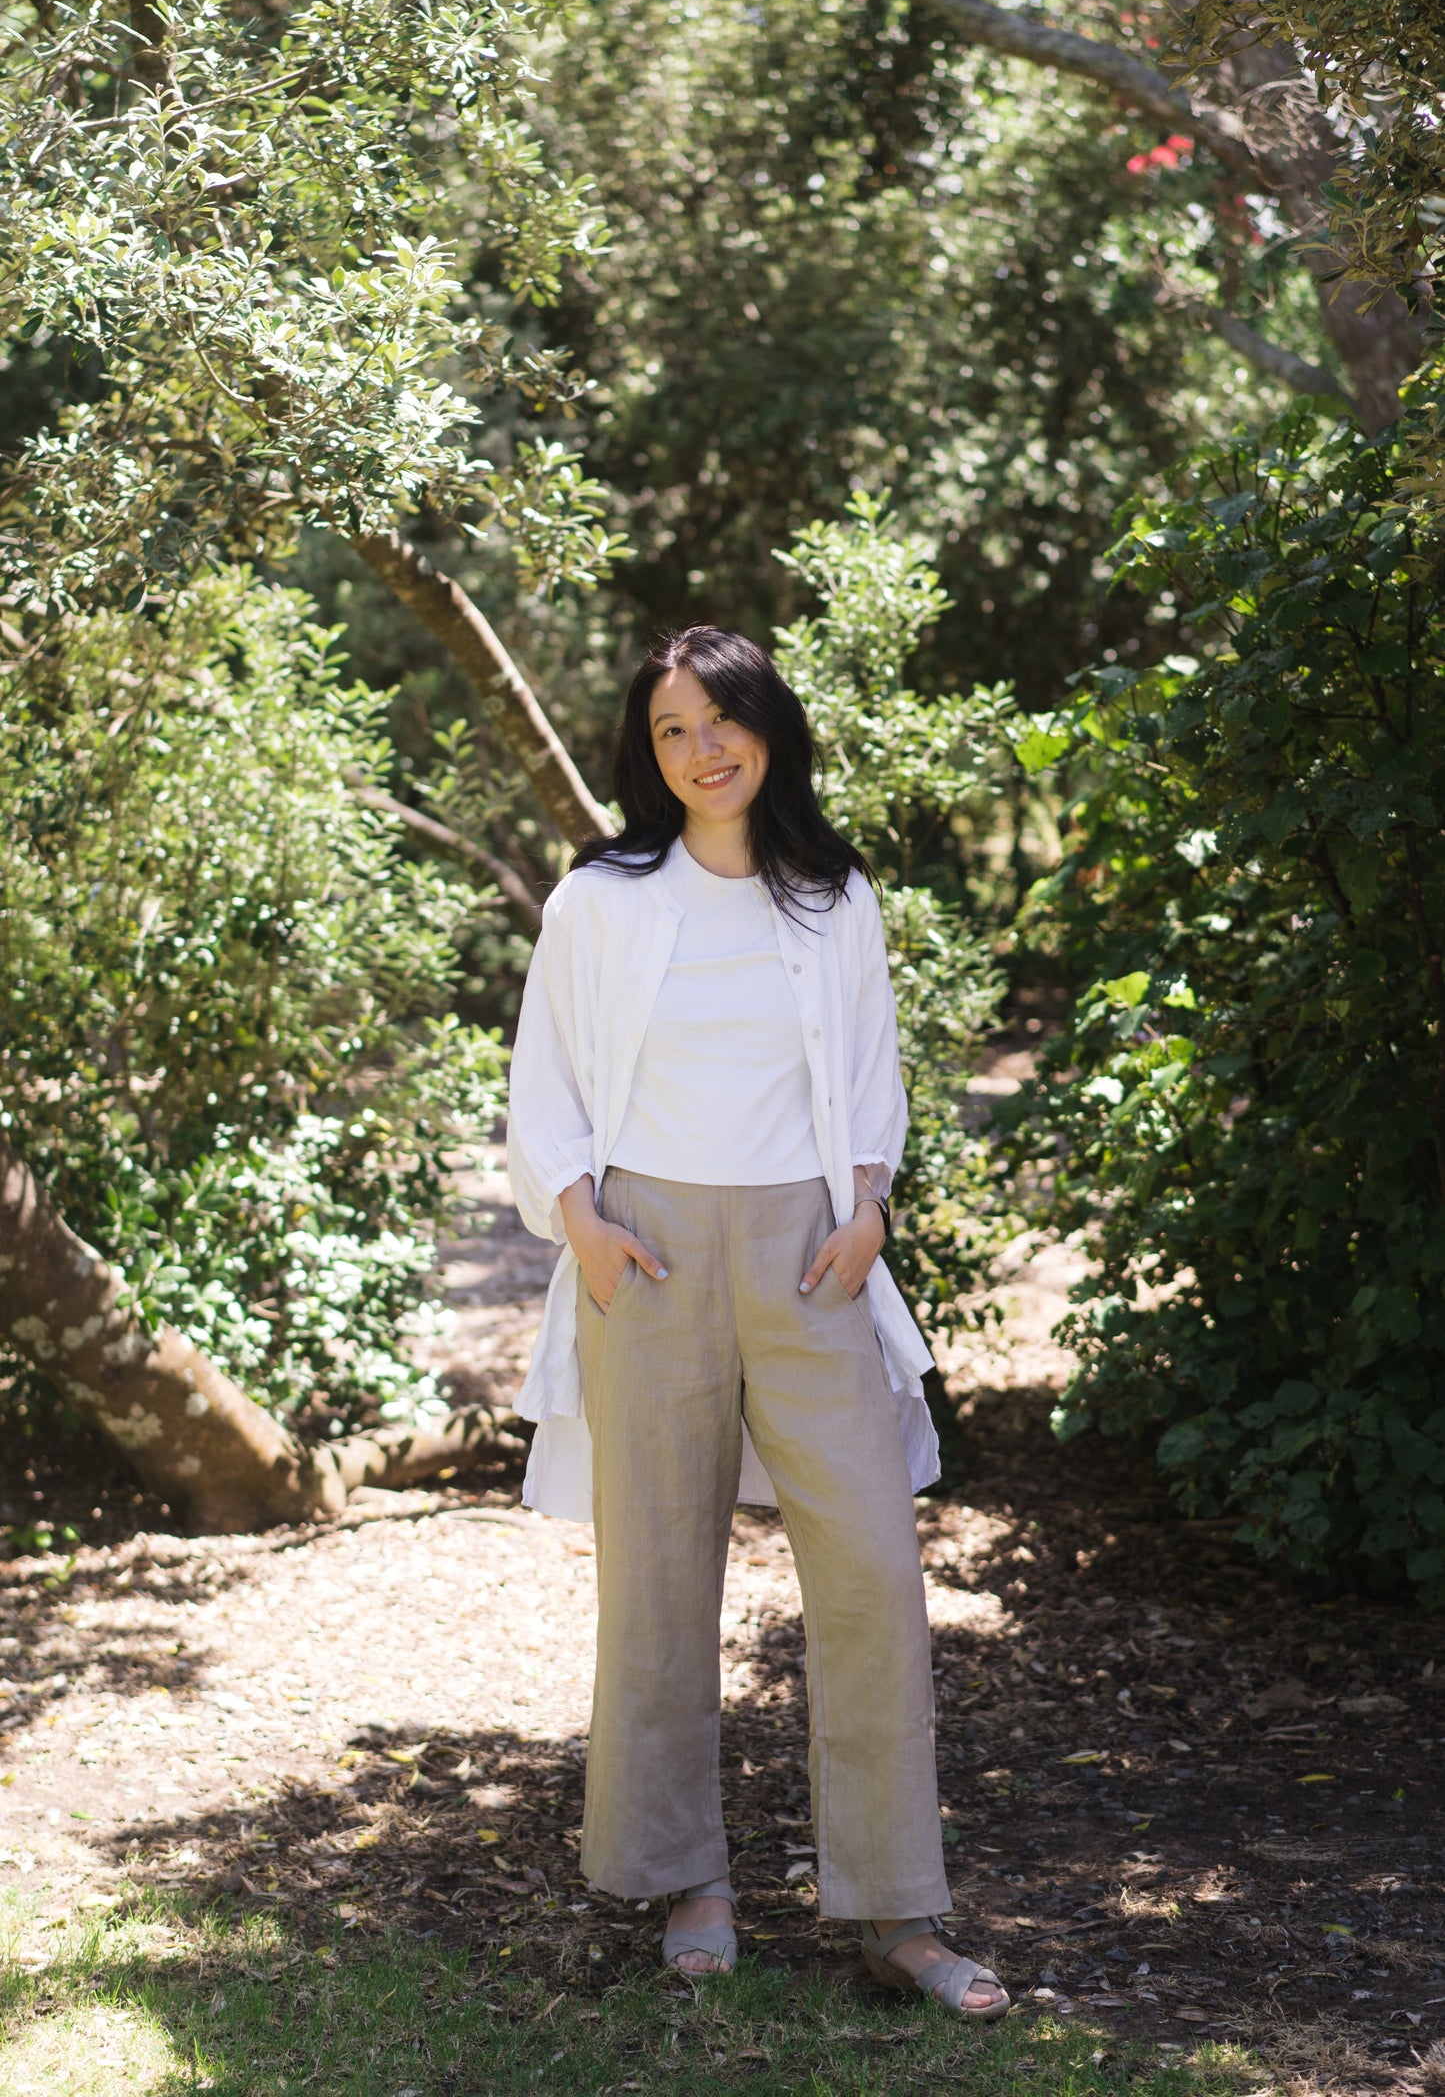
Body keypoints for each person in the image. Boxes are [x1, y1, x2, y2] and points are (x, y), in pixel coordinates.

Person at [506, 626, 1008, 2017]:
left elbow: (868, 1067)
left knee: (870, 1576)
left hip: (809, 1253)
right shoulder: (600, 898)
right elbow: (541, 1077)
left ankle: (897, 1914)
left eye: (720, 719)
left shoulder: (830, 896)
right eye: (670, 731)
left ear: (766, 727)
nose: (700, 750)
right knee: (658, 1579)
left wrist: (867, 1205)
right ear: (644, 753)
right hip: (647, 1250)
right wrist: (581, 1223)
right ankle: (688, 1883)